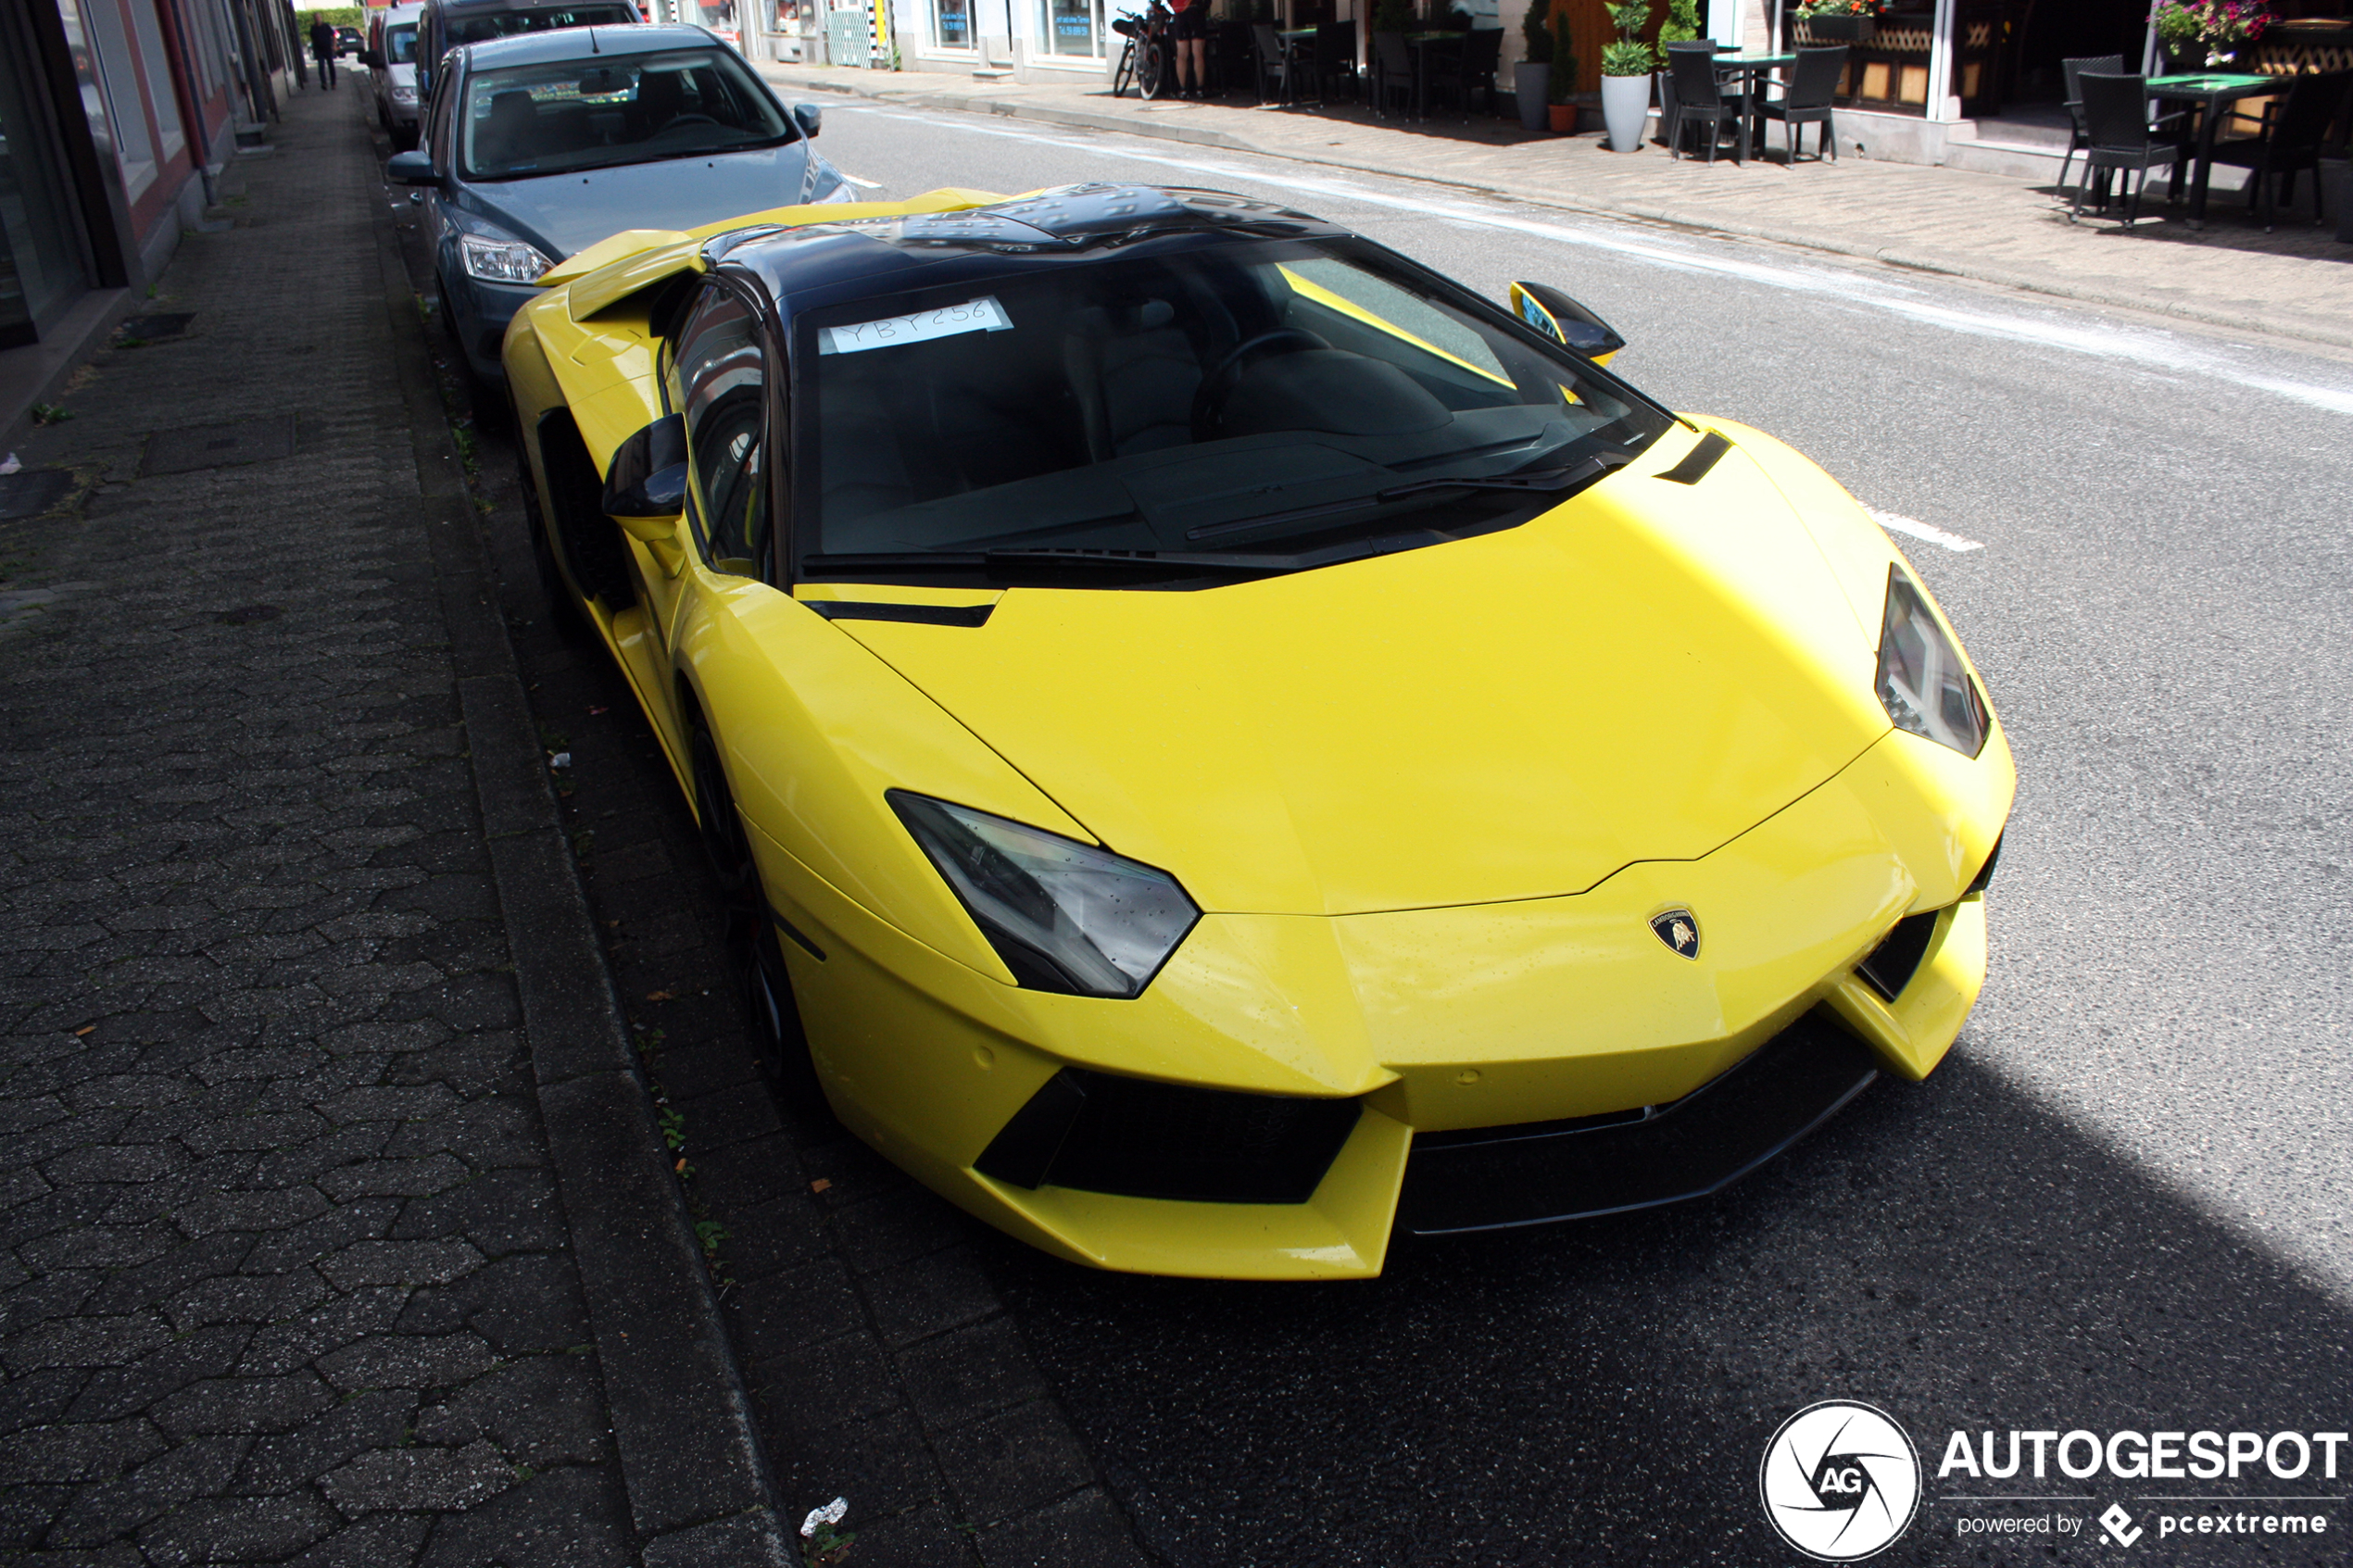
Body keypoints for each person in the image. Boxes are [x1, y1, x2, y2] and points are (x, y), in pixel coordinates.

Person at [1170, 0, 1207, 98]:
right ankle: (1200, 89)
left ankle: (1183, 90)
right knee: (1198, 53)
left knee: (1181, 54)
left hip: (1180, 13)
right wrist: (1203, 8)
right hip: (1196, 12)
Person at [309, 16, 338, 88]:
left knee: (331, 66)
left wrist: (334, 45)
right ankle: (324, 83)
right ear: (314, 19)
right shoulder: (313, 28)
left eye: (319, 17)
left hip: (327, 49)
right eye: (316, 18)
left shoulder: (326, 26)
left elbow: (334, 35)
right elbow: (313, 39)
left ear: (321, 18)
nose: (317, 19)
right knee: (321, 66)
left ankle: (333, 83)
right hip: (319, 50)